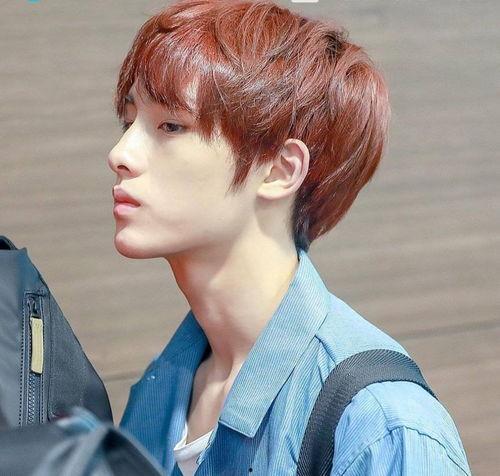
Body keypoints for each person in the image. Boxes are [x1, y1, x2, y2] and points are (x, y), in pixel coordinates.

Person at [107, 1, 472, 474]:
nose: (120, 153)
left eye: (171, 126)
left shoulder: (379, 426)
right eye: (129, 121)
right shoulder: (161, 389)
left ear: (280, 170)